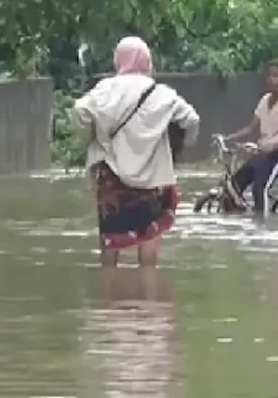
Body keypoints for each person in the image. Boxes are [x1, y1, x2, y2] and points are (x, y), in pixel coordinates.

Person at [72, 36, 200, 267]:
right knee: (149, 240)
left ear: (117, 60)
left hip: (112, 178)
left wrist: (94, 138)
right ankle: (148, 296)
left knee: (110, 242)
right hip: (152, 180)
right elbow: (191, 120)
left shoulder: (105, 89)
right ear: (147, 60)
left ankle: (107, 297)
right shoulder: (162, 94)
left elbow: (80, 110)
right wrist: (179, 148)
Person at [219, 61, 278, 214]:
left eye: (276, 76)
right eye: (269, 75)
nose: (271, 79)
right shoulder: (264, 101)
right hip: (262, 154)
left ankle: (261, 226)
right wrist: (228, 138)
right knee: (233, 186)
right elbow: (251, 127)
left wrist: (272, 147)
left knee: (259, 189)